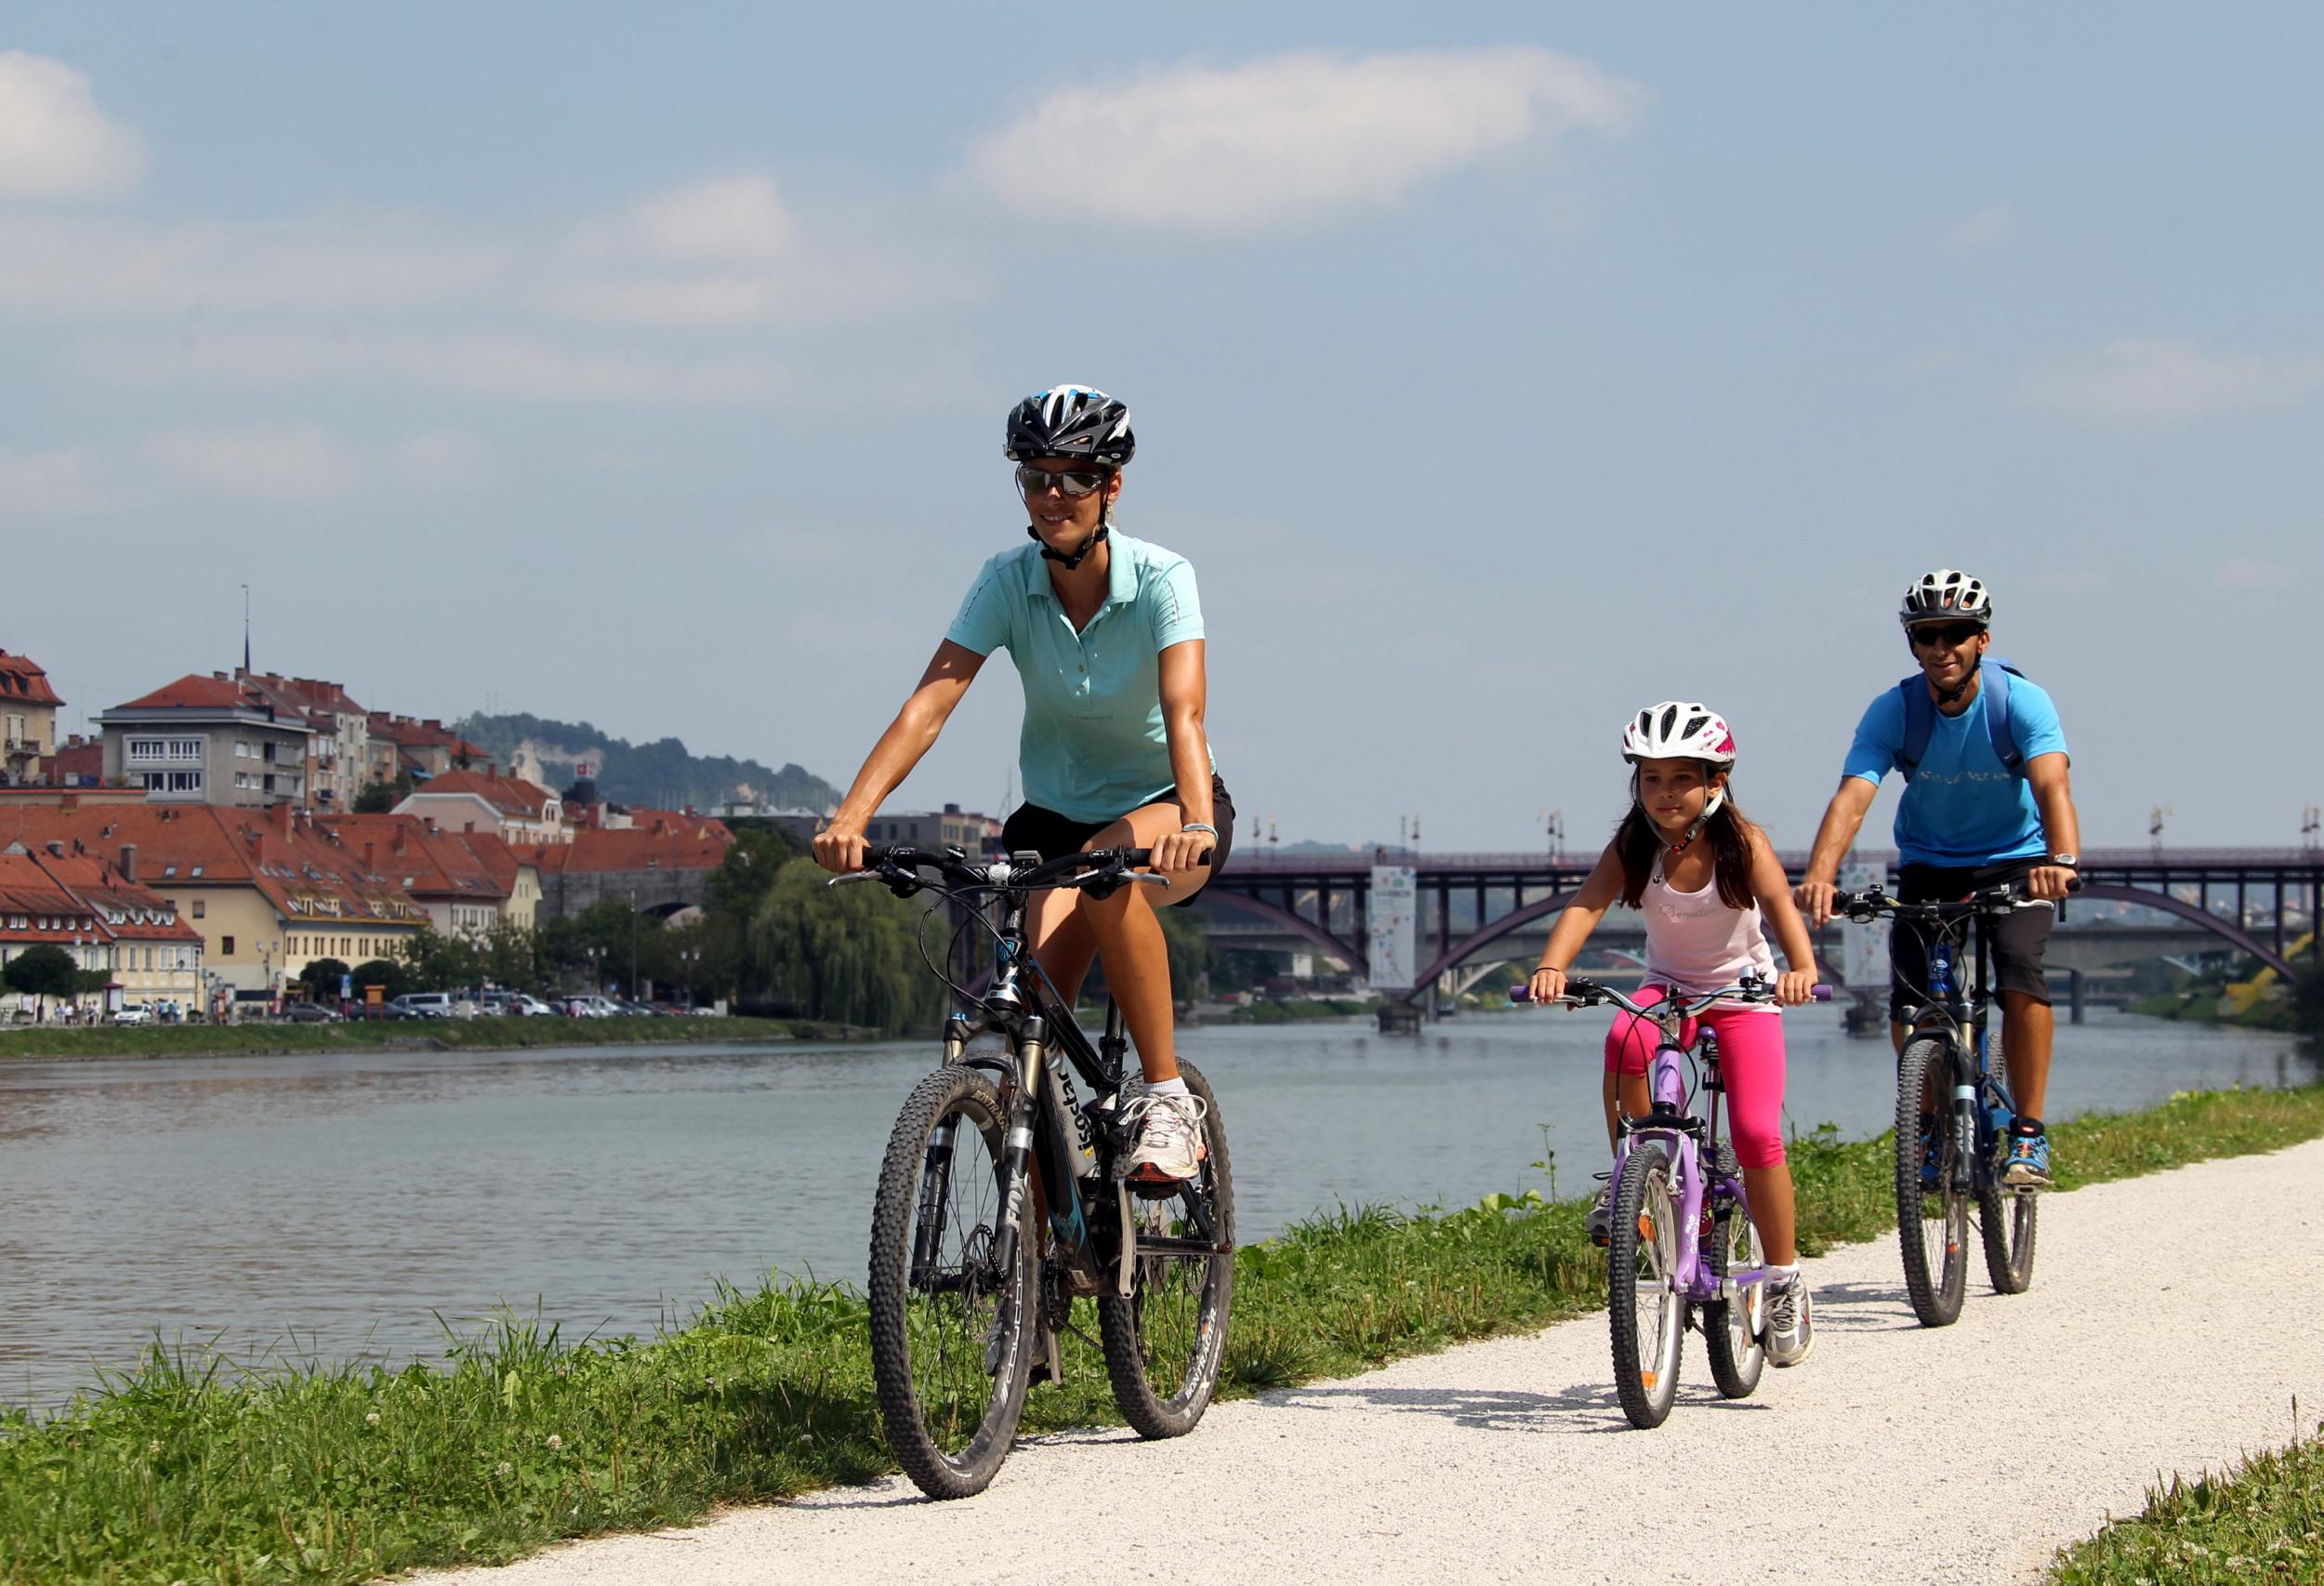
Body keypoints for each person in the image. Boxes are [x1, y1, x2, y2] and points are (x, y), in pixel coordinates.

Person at [813, 384, 1232, 1182]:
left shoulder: (1162, 577)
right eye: (1035, 476)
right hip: (1052, 823)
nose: (1052, 495)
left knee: (1111, 881)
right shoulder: (1006, 581)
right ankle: (1043, 1268)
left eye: (1073, 478)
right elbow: (929, 704)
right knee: (1032, 1034)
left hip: (1168, 808)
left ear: (1111, 486)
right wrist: (852, 818)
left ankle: (1169, 1095)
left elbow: (1186, 711)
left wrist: (1199, 822)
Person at [1524, 703, 1823, 1367]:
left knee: (1754, 1133)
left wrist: (1801, 969)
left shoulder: (1742, 844)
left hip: (1744, 996)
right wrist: (1553, 966)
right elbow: (1587, 903)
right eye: (1651, 778)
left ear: (1716, 782)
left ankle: (1782, 1279)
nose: (1665, 793)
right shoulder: (1634, 845)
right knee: (1623, 1041)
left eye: (1682, 778)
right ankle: (1635, 1176)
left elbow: (1779, 904)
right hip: (1671, 989)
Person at [1793, 569, 2080, 1187]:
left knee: (2020, 975)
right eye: (1927, 635)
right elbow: (1852, 798)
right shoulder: (1895, 711)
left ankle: (2028, 1133)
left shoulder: (2019, 702)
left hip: (2019, 860)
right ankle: (1927, 1126)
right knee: (1911, 1001)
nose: (1941, 647)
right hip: (1929, 861)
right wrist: (1820, 876)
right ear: (1913, 643)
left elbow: (2051, 783)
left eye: (1956, 633)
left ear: (1982, 638)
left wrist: (2062, 860)